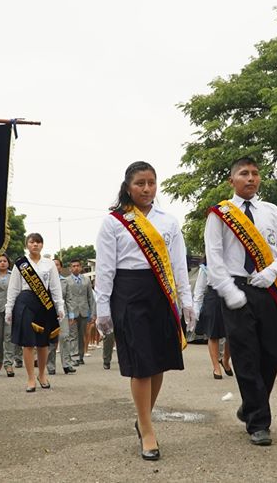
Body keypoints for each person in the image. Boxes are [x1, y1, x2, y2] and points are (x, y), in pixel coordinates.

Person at [95, 161, 195, 461]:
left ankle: (143, 419)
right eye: (140, 183)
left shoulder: (168, 221)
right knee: (141, 363)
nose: (147, 188)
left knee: (159, 360)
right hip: (128, 293)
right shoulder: (115, 221)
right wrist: (103, 307)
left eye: (151, 182)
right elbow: (105, 268)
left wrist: (187, 301)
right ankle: (148, 430)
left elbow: (179, 265)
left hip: (161, 293)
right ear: (128, 187)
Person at [205, 156, 277, 447]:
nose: (251, 178)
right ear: (231, 180)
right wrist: (229, 291)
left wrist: (273, 271)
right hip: (236, 289)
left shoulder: (272, 212)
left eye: (255, 173)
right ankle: (259, 423)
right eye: (244, 173)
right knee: (245, 355)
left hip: (269, 288)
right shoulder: (220, 214)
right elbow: (214, 257)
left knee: (270, 354)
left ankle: (250, 406)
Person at [6, 233, 65, 393]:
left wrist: (60, 306)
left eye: (38, 242)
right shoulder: (21, 264)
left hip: (44, 303)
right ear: (27, 245)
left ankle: (42, 374)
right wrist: (9, 308)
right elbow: (13, 288)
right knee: (28, 342)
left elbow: (55, 286)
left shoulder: (49, 264)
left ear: (42, 245)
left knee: (43, 342)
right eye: (32, 242)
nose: (35, 245)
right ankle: (31, 378)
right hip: (25, 302)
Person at [193, 259, 233, 380]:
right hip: (213, 299)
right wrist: (196, 309)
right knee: (213, 334)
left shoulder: (233, 259)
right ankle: (216, 367)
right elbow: (199, 289)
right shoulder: (206, 266)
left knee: (231, 334)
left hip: (230, 296)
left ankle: (225, 359)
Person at [64, 259, 96, 367]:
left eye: (77, 265)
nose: (76, 268)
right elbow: (65, 298)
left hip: (84, 311)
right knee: (73, 335)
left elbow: (90, 297)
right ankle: (74, 356)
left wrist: (93, 313)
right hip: (72, 312)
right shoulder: (66, 280)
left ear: (81, 267)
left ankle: (81, 356)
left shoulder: (86, 280)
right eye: (73, 266)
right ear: (70, 268)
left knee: (82, 335)